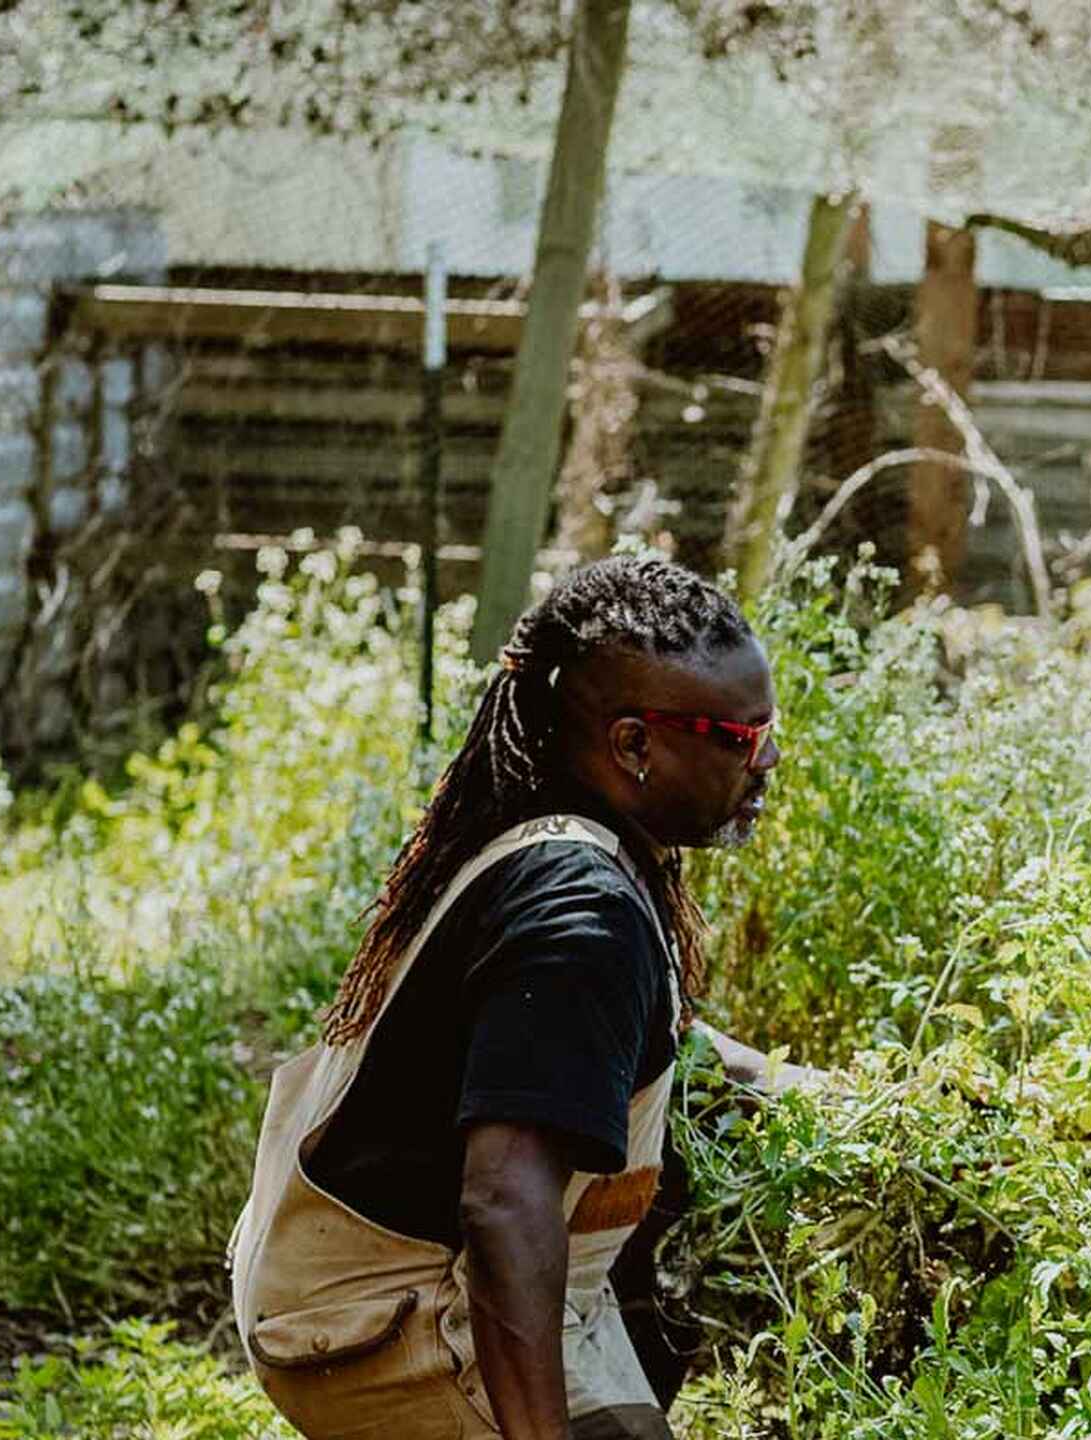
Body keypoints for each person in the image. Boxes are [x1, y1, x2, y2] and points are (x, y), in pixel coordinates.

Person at [230, 556, 809, 1440]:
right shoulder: (582, 914)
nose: (766, 759)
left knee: (714, 1118)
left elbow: (666, 1047)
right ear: (634, 746)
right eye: (738, 736)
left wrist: (847, 1100)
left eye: (770, 726)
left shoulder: (559, 828)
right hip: (384, 1320)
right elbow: (502, 1207)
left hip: (355, 1275)